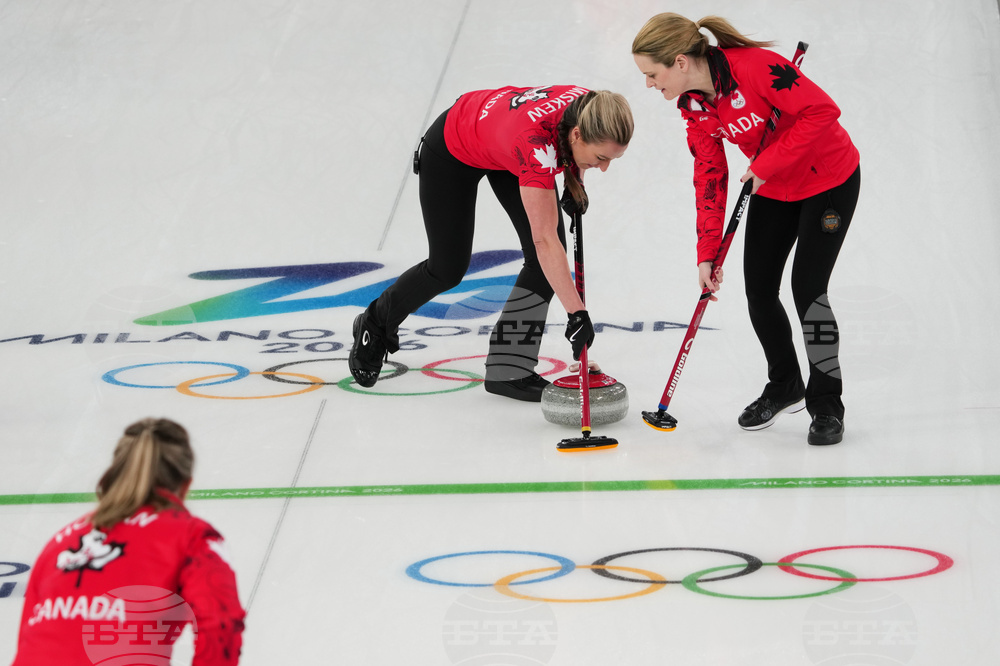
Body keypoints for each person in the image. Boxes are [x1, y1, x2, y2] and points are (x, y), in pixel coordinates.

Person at [632, 14, 861, 445]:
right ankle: (785, 384)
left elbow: (822, 111)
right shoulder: (695, 106)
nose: (648, 84)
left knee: (807, 289)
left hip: (828, 179)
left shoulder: (755, 67)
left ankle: (827, 403)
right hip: (774, 188)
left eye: (651, 74)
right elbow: (710, 175)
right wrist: (707, 252)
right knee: (759, 289)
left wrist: (767, 163)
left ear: (680, 62)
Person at [348, 86, 634, 402]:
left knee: (544, 266)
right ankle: (375, 322)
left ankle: (508, 367)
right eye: (601, 158)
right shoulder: (536, 147)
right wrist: (576, 314)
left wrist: (574, 180)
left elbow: (566, 143)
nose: (605, 167)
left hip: (503, 146)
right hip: (452, 149)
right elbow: (545, 241)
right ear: (578, 135)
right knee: (447, 268)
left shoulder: (592, 106)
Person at [12, 418, 245, 665]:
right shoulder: (191, 535)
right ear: (185, 486)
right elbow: (221, 624)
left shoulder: (62, 540)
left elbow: (29, 639)